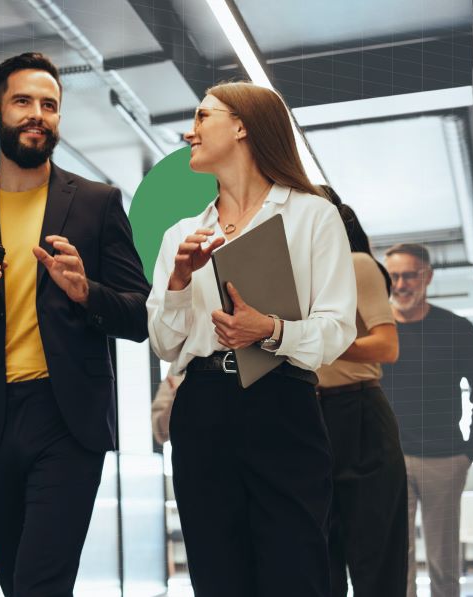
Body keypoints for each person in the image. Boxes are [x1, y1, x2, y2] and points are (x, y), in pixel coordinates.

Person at [0, 52, 150, 597]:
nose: (37, 114)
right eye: (23, 102)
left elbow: (140, 316)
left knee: (41, 582)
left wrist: (87, 291)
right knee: (18, 582)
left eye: (49, 105)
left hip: (67, 420)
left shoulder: (96, 205)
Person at [147, 81, 357, 597]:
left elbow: (337, 328)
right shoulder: (181, 234)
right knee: (216, 572)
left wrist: (272, 330)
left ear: (241, 125)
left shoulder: (311, 213)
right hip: (200, 407)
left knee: (296, 568)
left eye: (202, 117)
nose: (188, 131)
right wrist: (178, 281)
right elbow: (164, 343)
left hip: (281, 399)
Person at [381, 243, 473, 597]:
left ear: (427, 276)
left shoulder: (456, 329)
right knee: (397, 563)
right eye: (393, 276)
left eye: (409, 275)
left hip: (445, 460)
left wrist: (469, 453)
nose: (400, 284)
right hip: (389, 461)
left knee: (444, 566)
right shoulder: (376, 332)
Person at [317, 187, 407, 597]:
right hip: (309, 419)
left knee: (376, 562)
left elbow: (387, 347)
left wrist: (319, 342)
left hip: (358, 414)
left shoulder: (355, 265)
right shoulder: (294, 274)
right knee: (319, 560)